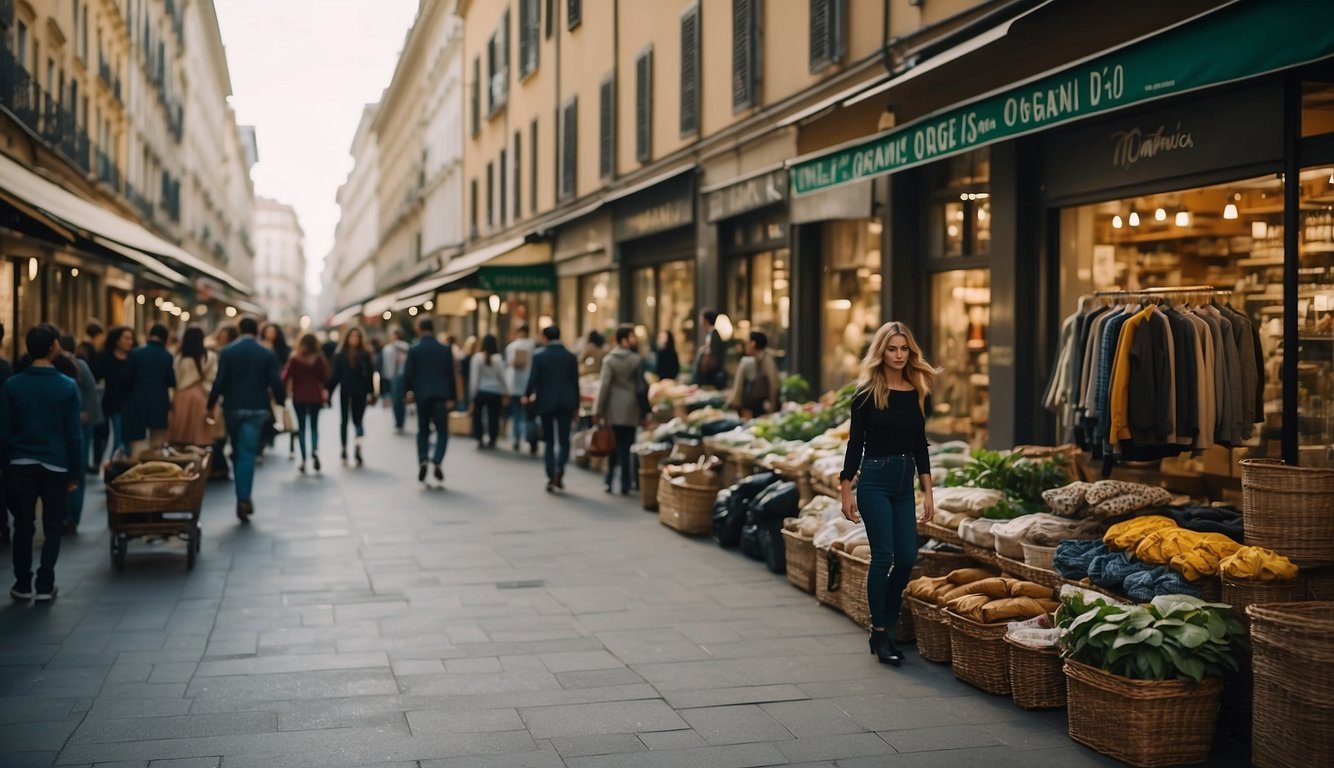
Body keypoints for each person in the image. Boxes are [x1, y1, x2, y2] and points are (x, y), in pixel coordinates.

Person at [839, 321, 938, 667]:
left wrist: (928, 491)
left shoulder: (916, 389)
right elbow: (855, 444)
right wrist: (845, 488)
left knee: (908, 557)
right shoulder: (867, 394)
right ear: (881, 352)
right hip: (875, 480)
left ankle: (886, 624)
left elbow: (919, 444)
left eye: (904, 349)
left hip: (904, 481)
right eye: (892, 349)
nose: (899, 355)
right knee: (883, 556)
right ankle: (881, 631)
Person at [1, 324, 81, 601]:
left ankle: (22, 583)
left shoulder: (12, 386)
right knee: (53, 525)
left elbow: (3, 429)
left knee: (23, 524)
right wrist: (75, 471)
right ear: (53, 348)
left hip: (19, 462)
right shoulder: (67, 386)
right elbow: (74, 434)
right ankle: (45, 583)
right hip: (55, 463)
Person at [208, 317, 285, 522]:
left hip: (232, 407)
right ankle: (244, 497)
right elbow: (276, 382)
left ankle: (241, 495)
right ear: (257, 331)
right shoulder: (266, 353)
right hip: (257, 408)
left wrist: (210, 405)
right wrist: (281, 402)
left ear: (239, 329)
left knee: (238, 449)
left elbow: (220, 381)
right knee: (247, 453)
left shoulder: (227, 352)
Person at [595, 324, 649, 496]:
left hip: (613, 407)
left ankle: (609, 480)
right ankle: (626, 483)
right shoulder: (636, 360)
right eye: (632, 336)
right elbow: (641, 387)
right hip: (631, 406)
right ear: (624, 339)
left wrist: (599, 409)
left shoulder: (609, 360)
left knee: (612, 446)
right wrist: (644, 410)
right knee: (627, 446)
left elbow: (604, 386)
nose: (635, 340)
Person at [524, 325, 579, 493]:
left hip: (546, 401)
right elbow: (574, 382)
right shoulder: (570, 356)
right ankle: (559, 468)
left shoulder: (539, 356)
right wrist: (576, 405)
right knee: (564, 439)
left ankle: (550, 473)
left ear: (545, 337)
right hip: (566, 401)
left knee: (549, 440)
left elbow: (533, 378)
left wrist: (526, 394)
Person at [402, 317, 456, 484]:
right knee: (442, 431)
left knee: (423, 429)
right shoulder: (445, 349)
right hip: (440, 394)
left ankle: (423, 457)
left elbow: (407, 375)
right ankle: (437, 458)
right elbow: (450, 375)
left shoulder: (414, 350)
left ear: (419, 328)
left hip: (422, 395)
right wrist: (453, 397)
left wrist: (407, 392)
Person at [122, 324, 176, 458]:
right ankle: (155, 473)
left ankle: (137, 470)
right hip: (159, 404)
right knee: (157, 445)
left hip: (137, 403)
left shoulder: (135, 353)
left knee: (138, 444)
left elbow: (126, 378)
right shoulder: (167, 356)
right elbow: (171, 381)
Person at [326, 326, 376, 466]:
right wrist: (328, 393)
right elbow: (335, 376)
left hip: (360, 392)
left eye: (356, 336)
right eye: (351, 336)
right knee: (344, 421)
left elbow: (370, 375)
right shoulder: (340, 354)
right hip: (345, 391)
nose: (354, 339)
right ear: (347, 338)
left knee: (358, 421)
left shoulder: (365, 354)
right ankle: (343, 448)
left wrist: (372, 393)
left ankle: (358, 447)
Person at [283, 333, 329, 475]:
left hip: (299, 397)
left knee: (302, 428)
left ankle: (303, 459)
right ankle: (314, 449)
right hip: (315, 396)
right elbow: (324, 377)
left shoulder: (295, 358)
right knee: (314, 427)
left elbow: (285, 376)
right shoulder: (319, 359)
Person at [166, 327, 217, 447]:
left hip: (181, 396)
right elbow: (212, 378)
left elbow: (175, 379)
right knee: (199, 434)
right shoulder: (209, 356)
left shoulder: (178, 357)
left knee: (180, 432)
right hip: (200, 395)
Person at [97, 326, 135, 461]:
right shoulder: (105, 357)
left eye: (131, 338)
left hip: (131, 403)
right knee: (116, 438)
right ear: (117, 341)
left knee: (129, 439)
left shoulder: (134, 357)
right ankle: (116, 465)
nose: (130, 341)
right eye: (126, 338)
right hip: (112, 403)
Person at [207, 325, 240, 480]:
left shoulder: (226, 352)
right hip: (224, 399)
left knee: (221, 434)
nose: (222, 337)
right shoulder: (215, 350)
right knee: (219, 434)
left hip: (227, 400)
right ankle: (221, 465)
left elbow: (220, 379)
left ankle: (222, 465)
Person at [727, 330, 781, 418]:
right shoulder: (767, 360)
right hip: (762, 409)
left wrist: (734, 405)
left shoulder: (749, 362)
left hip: (753, 410)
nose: (745, 345)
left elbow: (739, 388)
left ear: (753, 344)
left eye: (747, 342)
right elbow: (774, 387)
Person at [468, 334, 509, 450]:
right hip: (495, 392)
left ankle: (479, 437)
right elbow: (503, 377)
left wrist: (472, 396)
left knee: (477, 416)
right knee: (494, 417)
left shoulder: (477, 358)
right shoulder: (498, 359)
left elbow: (474, 379)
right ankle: (492, 438)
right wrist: (506, 392)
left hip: (481, 391)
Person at [504, 324, 537, 453]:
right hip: (529, 385)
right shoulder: (533, 346)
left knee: (516, 414)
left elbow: (508, 365)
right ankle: (531, 439)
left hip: (514, 385)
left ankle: (516, 439)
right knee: (529, 415)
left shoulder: (511, 347)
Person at [79, 320, 105, 474]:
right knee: (93, 430)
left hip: (87, 392)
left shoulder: (83, 347)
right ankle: (90, 462)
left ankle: (89, 461)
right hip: (91, 392)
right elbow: (94, 371)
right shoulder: (90, 349)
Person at [380, 326, 410, 432]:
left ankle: (400, 421)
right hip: (392, 375)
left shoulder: (403, 346)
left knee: (399, 399)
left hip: (401, 375)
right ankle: (398, 421)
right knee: (395, 399)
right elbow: (385, 363)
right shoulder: (388, 348)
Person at [694, 310, 726, 388]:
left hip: (712, 374)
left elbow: (713, 356)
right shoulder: (711, 334)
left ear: (705, 320)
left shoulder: (713, 335)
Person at [456, 335, 477, 412]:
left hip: (475, 386)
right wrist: (461, 393)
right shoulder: (465, 360)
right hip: (467, 386)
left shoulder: (477, 358)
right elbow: (461, 377)